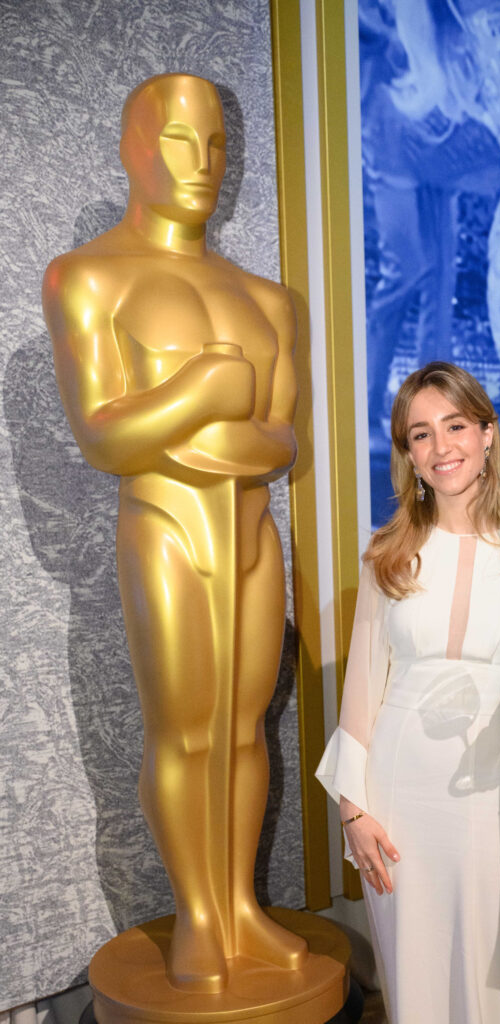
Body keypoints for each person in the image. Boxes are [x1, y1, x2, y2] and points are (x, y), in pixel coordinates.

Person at [42, 74, 303, 992]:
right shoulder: (87, 278)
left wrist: (190, 425)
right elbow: (102, 437)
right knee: (185, 730)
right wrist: (200, 392)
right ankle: (199, 914)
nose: (204, 163)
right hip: (162, 526)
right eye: (181, 140)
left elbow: (280, 440)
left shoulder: (267, 299)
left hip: (250, 532)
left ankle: (240, 909)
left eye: (217, 143)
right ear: (133, 148)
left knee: (246, 729)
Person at [316, 361, 500, 1023]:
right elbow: (362, 687)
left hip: (487, 797)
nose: (440, 446)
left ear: (487, 433)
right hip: (397, 798)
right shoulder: (387, 552)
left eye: (454, 425)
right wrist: (353, 811)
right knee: (416, 980)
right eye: (420, 434)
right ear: (408, 454)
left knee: (492, 972)